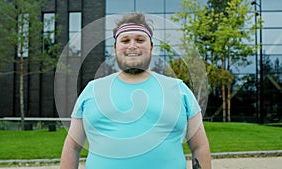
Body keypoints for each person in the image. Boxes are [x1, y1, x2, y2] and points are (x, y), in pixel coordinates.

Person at [60, 12, 211, 169]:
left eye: (140, 40)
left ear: (151, 46)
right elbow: (73, 147)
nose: (132, 45)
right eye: (125, 40)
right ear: (115, 47)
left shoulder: (180, 90)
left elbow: (199, 147)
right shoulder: (91, 90)